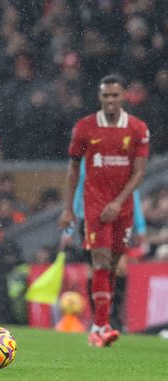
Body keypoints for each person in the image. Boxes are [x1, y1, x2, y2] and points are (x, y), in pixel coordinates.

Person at [58, 74, 150, 348]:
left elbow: (140, 172)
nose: (110, 100)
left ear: (123, 96)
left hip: (122, 207)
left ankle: (104, 320)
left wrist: (118, 202)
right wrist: (68, 209)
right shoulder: (84, 127)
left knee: (114, 266)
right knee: (99, 260)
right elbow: (73, 169)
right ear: (100, 97)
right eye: (106, 96)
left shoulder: (138, 128)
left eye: (115, 95)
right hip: (94, 205)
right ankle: (100, 326)